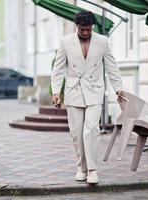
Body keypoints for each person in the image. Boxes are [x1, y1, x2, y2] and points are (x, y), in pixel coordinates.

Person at [51, 10, 125, 184]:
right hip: (73, 91)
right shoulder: (65, 42)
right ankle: (81, 168)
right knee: (76, 133)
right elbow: (58, 69)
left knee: (91, 130)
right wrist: (56, 92)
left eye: (88, 29)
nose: (85, 33)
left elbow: (112, 67)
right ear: (77, 26)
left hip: (94, 90)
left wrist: (118, 88)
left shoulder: (103, 42)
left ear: (93, 26)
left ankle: (92, 169)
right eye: (82, 29)